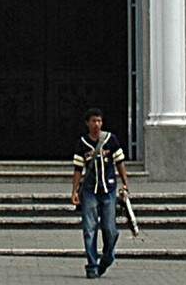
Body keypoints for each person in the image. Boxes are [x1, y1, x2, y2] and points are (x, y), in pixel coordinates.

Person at [72, 107, 129, 280]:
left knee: (110, 230)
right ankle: (92, 266)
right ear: (87, 123)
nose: (96, 124)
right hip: (90, 191)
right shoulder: (82, 143)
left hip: (109, 190)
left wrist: (125, 184)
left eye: (99, 121)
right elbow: (77, 169)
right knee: (89, 229)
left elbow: (119, 163)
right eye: (93, 121)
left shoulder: (111, 140)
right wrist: (75, 191)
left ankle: (107, 257)